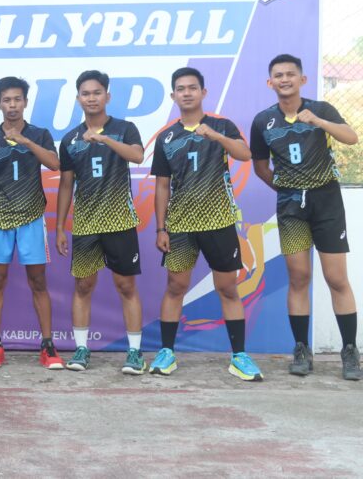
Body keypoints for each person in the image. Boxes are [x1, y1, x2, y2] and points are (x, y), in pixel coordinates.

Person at [250, 53, 361, 380]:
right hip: (291, 208)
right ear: (270, 82)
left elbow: (351, 137)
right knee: (298, 277)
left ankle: (350, 350)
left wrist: (319, 122)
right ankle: (301, 348)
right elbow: (260, 167)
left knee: (336, 278)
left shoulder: (321, 109)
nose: (284, 79)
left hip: (327, 203)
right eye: (278, 75)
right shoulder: (263, 121)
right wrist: (286, 187)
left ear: (302, 79)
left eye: (290, 74)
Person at [148, 67, 262, 381]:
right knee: (175, 287)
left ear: (203, 92)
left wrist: (216, 136)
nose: (186, 93)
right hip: (180, 226)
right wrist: (161, 228)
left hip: (218, 222)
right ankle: (166, 352)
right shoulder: (166, 137)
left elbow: (245, 154)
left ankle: (239, 356)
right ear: (173, 95)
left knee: (227, 288)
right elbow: (162, 186)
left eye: (192, 87)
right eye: (181, 89)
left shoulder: (222, 126)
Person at [56, 70, 147, 375]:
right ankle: (82, 349)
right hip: (85, 224)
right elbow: (66, 184)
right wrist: (60, 227)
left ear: (107, 96)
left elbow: (137, 156)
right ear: (78, 98)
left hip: (119, 221)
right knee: (83, 286)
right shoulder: (70, 139)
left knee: (126, 285)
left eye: (97, 93)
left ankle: (135, 352)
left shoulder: (124, 129)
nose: (91, 98)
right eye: (86, 93)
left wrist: (104, 138)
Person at [0, 76, 63, 370]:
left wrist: (26, 142)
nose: (12, 105)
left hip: (31, 218)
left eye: (17, 99)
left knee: (38, 281)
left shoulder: (39, 134)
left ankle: (48, 346)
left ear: (25, 102)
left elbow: (54, 164)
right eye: (6, 100)